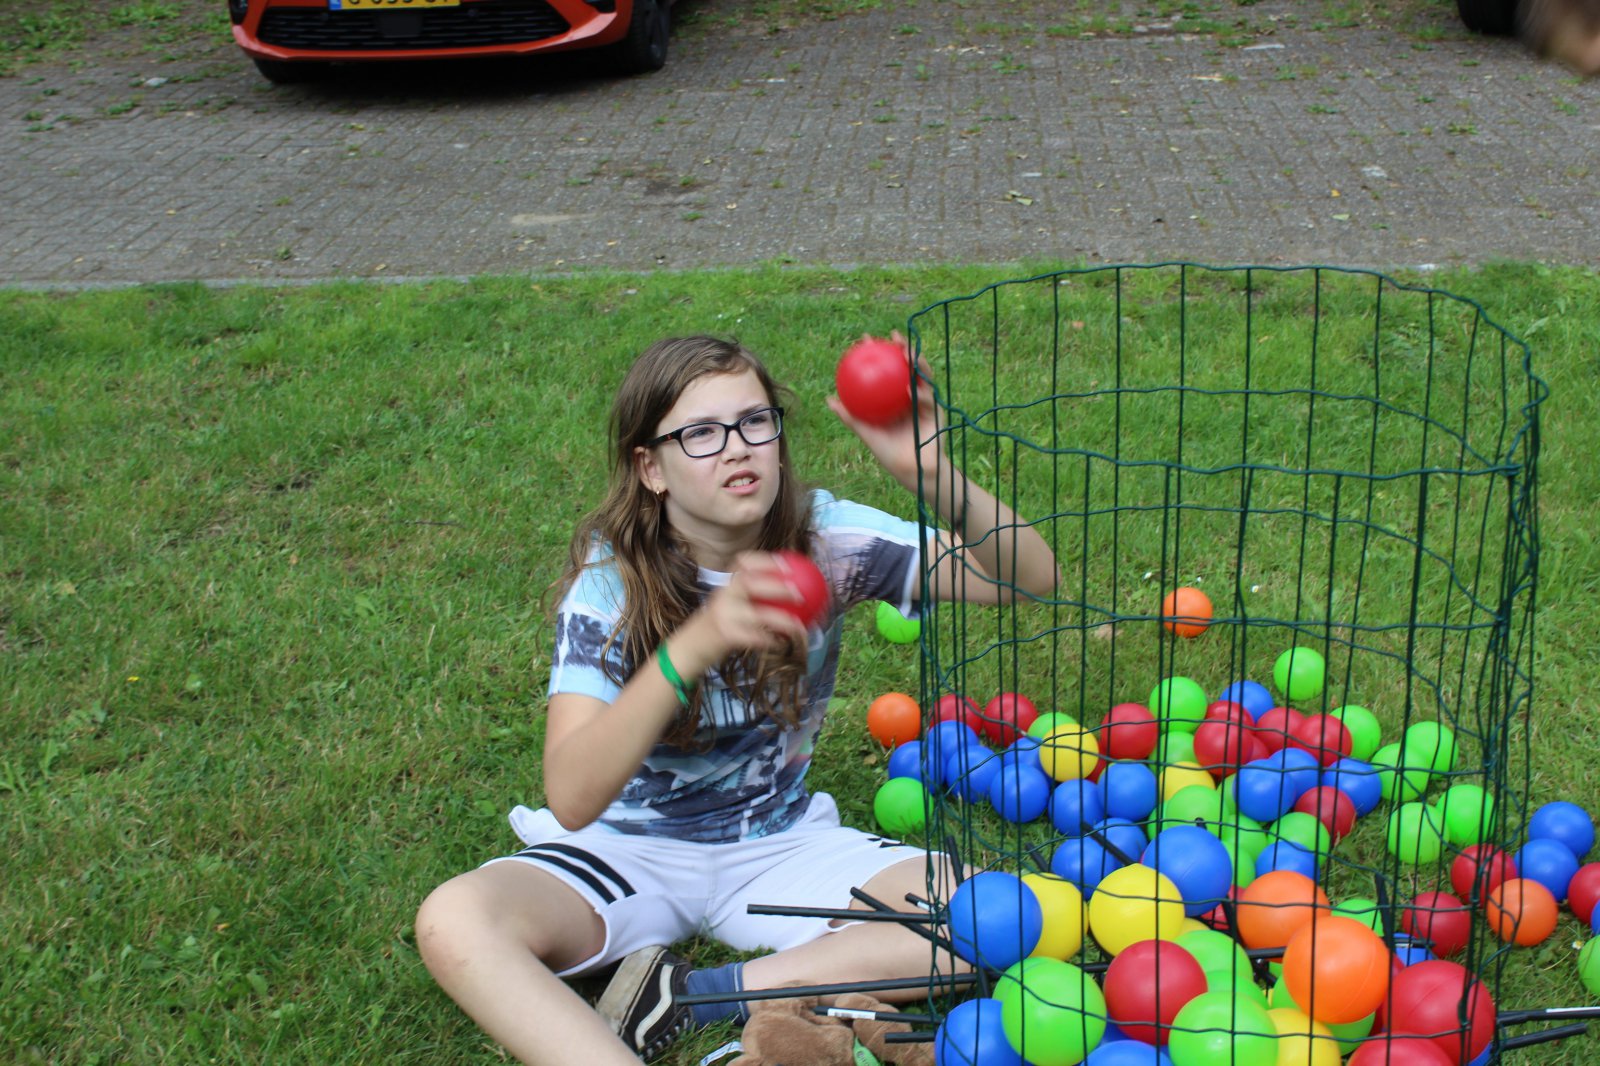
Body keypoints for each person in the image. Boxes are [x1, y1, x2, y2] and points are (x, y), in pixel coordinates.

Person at [414, 334, 1059, 1064]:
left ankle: (697, 996)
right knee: (455, 919)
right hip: (629, 849)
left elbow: (1027, 577)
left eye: (756, 421)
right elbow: (570, 795)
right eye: (701, 433)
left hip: (779, 843)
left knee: (995, 915)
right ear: (650, 467)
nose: (737, 447)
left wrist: (931, 473)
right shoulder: (611, 583)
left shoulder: (827, 540)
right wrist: (698, 641)